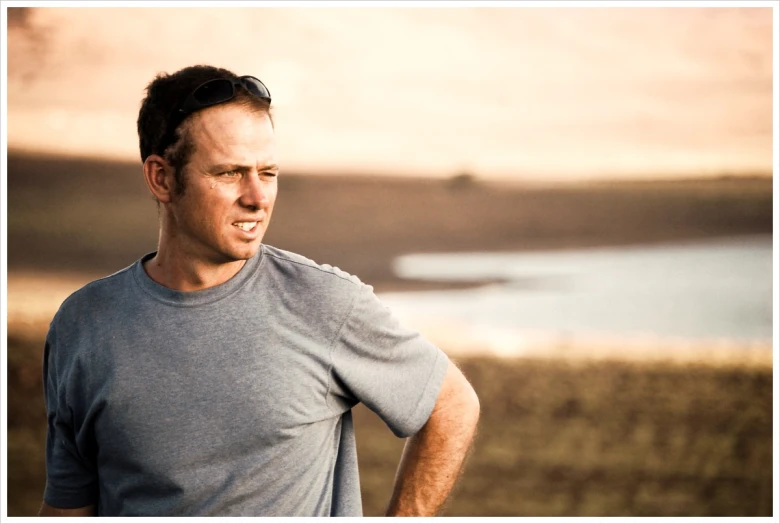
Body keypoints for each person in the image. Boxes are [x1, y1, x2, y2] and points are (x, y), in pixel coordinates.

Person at [38, 65, 480, 517]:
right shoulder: (85, 324)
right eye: (230, 173)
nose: (258, 197)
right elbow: (71, 504)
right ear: (162, 179)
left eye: (267, 172)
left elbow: (451, 404)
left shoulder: (323, 302)